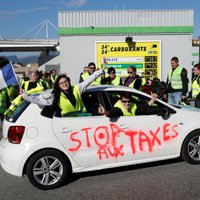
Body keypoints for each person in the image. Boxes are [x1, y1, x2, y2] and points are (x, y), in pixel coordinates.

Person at [23, 61, 107, 117]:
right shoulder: (56, 95)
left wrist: (101, 70)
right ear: (58, 85)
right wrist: (25, 95)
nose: (64, 84)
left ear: (69, 81)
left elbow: (89, 79)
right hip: (67, 124)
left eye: (66, 81)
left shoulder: (77, 88)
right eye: (61, 83)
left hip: (83, 120)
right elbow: (40, 100)